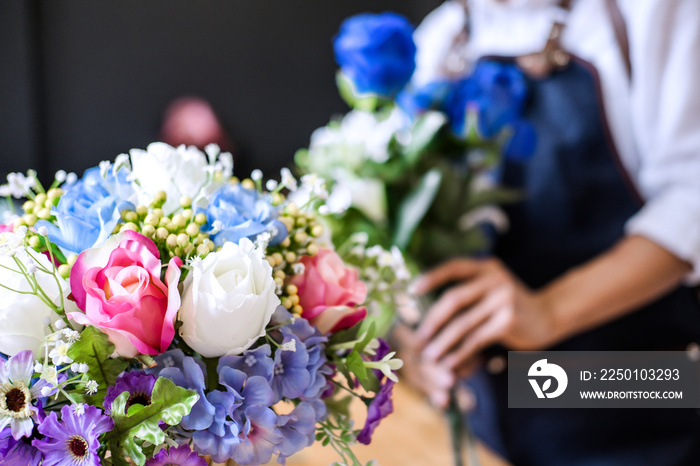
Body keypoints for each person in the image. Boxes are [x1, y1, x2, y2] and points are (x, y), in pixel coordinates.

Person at [396, 0, 700, 464]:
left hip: (636, 395)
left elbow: (691, 197)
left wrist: (548, 311)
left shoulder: (652, 12)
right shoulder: (443, 38)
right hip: (495, 423)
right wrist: (417, 339)